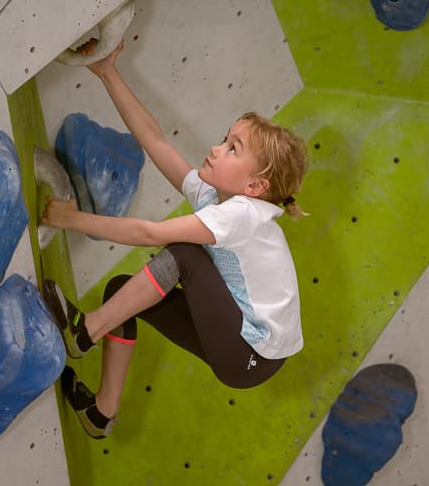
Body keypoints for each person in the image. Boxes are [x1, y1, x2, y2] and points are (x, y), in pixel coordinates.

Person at [40, 39, 309, 439]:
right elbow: (155, 141)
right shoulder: (216, 198)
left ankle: (85, 332)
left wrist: (72, 219)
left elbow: (150, 233)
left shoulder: (242, 216)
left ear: (255, 185)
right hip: (240, 342)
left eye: (233, 149)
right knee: (122, 295)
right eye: (224, 139)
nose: (217, 150)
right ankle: (101, 412)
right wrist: (108, 73)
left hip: (252, 355)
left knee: (185, 253)